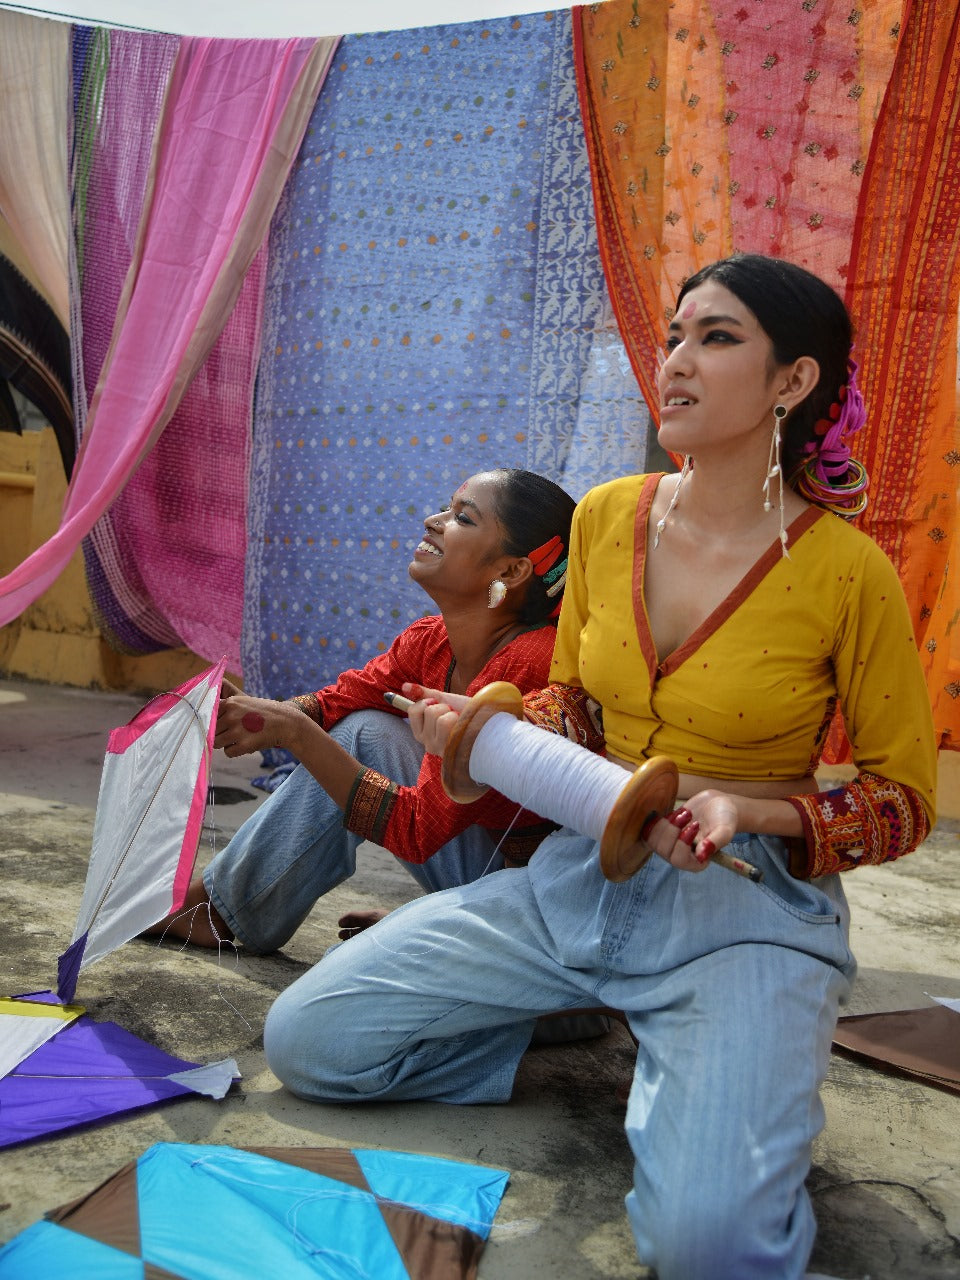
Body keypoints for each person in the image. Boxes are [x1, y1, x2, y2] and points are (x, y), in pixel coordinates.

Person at [260, 254, 938, 1280]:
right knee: (313, 1041)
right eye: (673, 335)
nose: (675, 361)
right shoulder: (608, 517)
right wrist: (488, 729)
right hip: (578, 884)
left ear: (792, 382)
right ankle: (655, 1060)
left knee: (709, 1246)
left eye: (716, 338)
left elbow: (904, 800)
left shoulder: (850, 574)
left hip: (743, 917)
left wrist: (756, 809)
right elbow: (573, 704)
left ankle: (729, 1089)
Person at [152, 467, 576, 952]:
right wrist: (256, 715)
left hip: (542, 924)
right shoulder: (431, 641)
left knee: (358, 736)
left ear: (510, 571)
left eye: (462, 518)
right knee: (369, 728)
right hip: (488, 877)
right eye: (446, 507)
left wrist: (294, 733)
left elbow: (418, 830)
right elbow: (342, 701)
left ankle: (224, 912)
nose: (433, 521)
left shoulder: (530, 663)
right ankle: (434, 920)